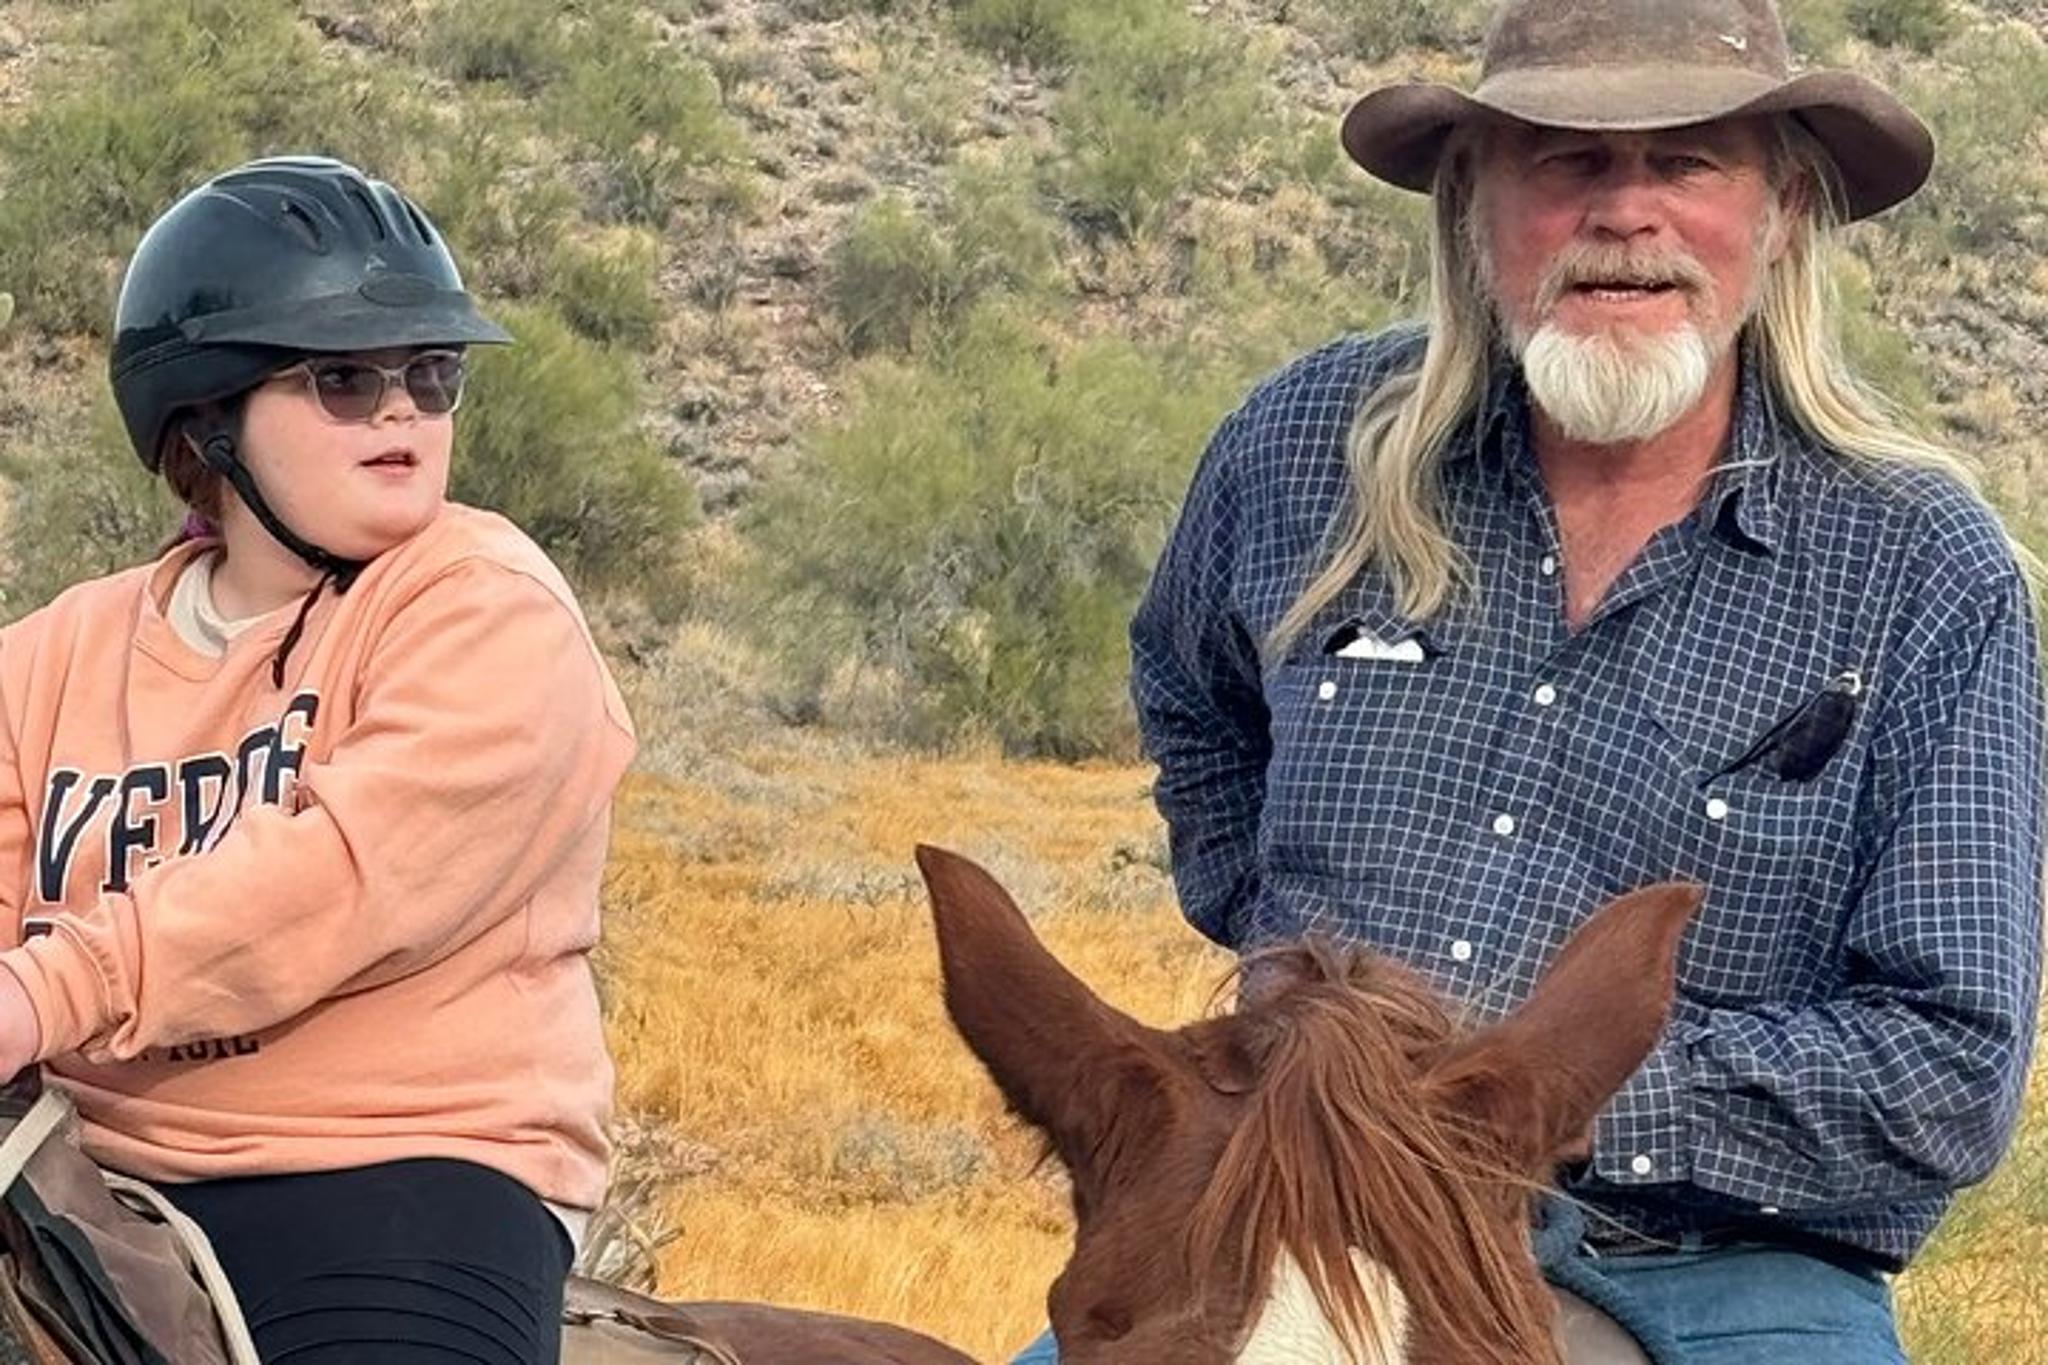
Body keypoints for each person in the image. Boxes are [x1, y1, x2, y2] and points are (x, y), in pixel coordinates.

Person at [1018, 1, 2045, 1362]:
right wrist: (1278, 960)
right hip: (1282, 1211)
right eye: (1566, 162)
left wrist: (1525, 1099)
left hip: (1715, 1261)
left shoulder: (1920, 568)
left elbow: (1946, 1063)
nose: (1627, 213)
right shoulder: (1298, 451)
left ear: (1783, 209)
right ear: (1474, 205)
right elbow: (1191, 692)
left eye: (1688, 163)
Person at [0, 155, 636, 1364]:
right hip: (80, 1157)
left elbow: (341, 874)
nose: (402, 411)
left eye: (431, 375)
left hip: (399, 1172)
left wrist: (40, 992)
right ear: (207, 421)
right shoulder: (51, 656)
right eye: (342, 378)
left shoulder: (486, 608)